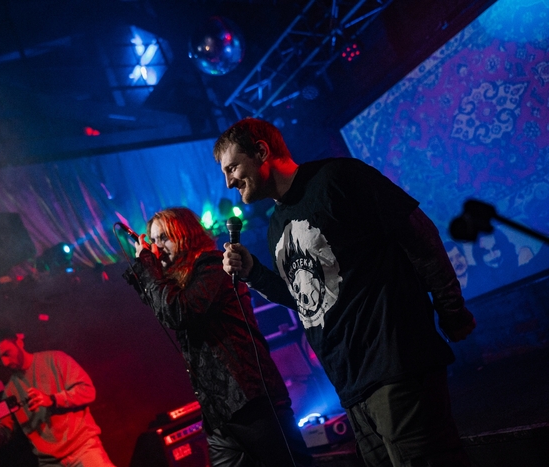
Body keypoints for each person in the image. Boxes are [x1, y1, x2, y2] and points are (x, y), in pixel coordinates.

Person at [215, 118, 476, 467]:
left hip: (397, 368)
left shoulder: (337, 178)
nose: (229, 182)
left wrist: (451, 309)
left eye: (232, 167)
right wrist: (254, 274)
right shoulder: (276, 226)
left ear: (261, 151)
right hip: (352, 390)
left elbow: (420, 236)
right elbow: (308, 302)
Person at [123, 207, 313, 467]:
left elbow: (177, 312)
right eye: (153, 240)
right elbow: (161, 305)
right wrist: (145, 271)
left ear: (185, 235)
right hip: (219, 417)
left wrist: (148, 264)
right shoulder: (180, 282)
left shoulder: (213, 266)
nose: (158, 247)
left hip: (251, 403)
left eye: (164, 238)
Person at [0, 329, 116, 467]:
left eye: (6, 353)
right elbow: (4, 432)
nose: (4, 363)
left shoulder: (56, 359)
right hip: (49, 462)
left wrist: (52, 399)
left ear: (19, 343)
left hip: (83, 450)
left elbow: (87, 390)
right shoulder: (9, 392)